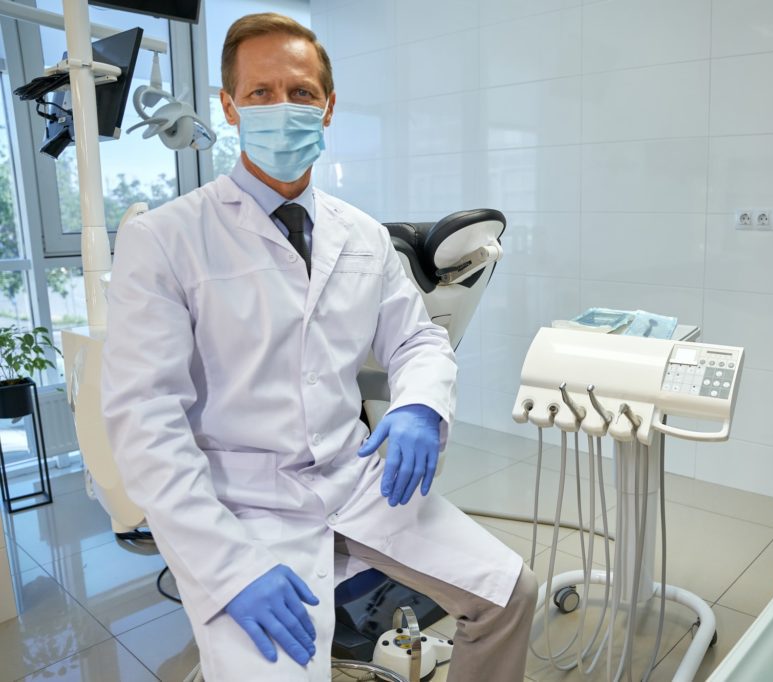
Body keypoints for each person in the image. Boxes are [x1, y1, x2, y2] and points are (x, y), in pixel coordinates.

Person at [101, 13, 537, 682]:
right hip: (237, 506)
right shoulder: (166, 239)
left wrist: (420, 406)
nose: (283, 109)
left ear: (328, 107)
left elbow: (416, 336)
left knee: (510, 595)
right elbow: (145, 421)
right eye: (261, 93)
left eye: (301, 93)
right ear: (230, 106)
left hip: (352, 476)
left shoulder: (361, 234)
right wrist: (229, 570)